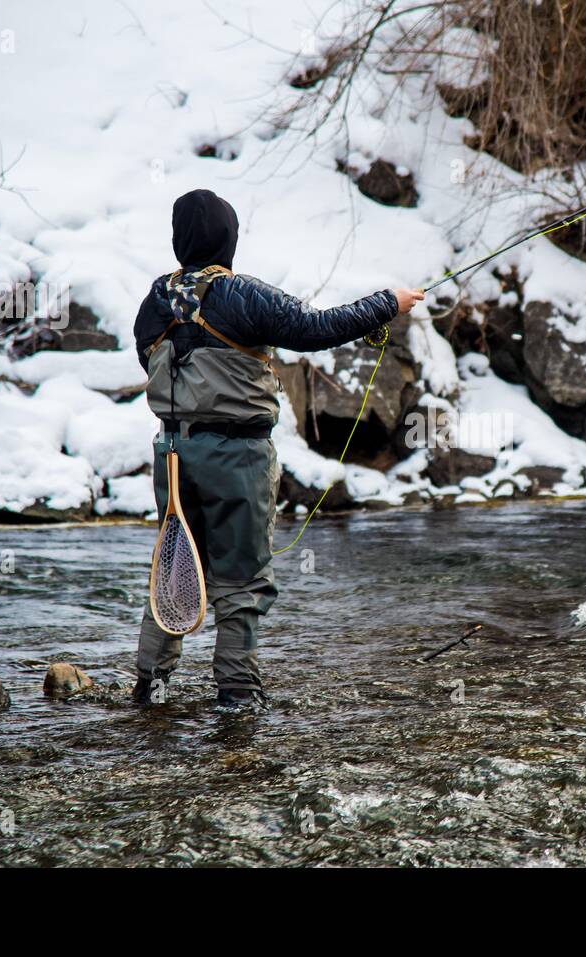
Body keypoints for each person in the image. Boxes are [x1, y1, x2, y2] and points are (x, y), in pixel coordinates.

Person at [131, 188, 424, 711]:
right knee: (241, 582)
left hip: (171, 455)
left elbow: (149, 365)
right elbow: (317, 330)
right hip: (236, 457)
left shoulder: (153, 304)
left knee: (174, 570)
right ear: (229, 239)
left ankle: (150, 690)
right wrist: (389, 304)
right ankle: (237, 699)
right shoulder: (241, 295)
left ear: (179, 241)